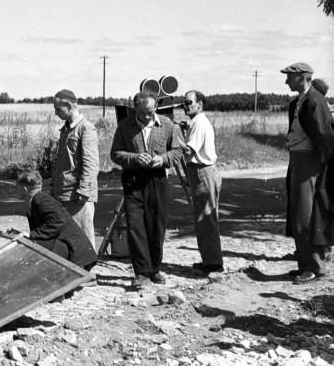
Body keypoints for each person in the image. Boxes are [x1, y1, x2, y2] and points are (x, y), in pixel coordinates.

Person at [110, 91, 185, 289]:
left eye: (151, 112)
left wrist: (164, 159)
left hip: (157, 179)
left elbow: (178, 150)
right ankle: (141, 273)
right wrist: (134, 158)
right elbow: (115, 154)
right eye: (143, 113)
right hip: (133, 181)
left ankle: (155, 269)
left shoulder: (168, 125)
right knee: (136, 226)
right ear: (136, 109)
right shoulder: (125, 127)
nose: (147, 116)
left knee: (156, 226)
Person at [281, 63, 334, 283]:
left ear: (303, 77)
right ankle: (305, 265)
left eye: (290, 77)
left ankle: (315, 267)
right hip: (298, 160)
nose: (286, 82)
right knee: (297, 215)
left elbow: (324, 138)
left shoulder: (315, 100)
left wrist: (320, 169)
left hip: (310, 163)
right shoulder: (300, 101)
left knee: (307, 216)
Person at [17, 170, 97, 274]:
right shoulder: (35, 200)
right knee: (31, 243)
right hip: (71, 248)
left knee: (31, 244)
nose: (16, 191)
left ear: (24, 189)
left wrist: (31, 235)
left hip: (75, 252)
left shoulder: (41, 199)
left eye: (17, 188)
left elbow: (59, 220)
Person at [51, 89, 100, 251]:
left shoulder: (86, 129)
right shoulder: (66, 129)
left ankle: (88, 274)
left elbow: (91, 163)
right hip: (64, 192)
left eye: (59, 109)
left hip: (78, 195)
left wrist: (84, 189)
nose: (56, 113)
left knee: (83, 239)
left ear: (69, 106)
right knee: (69, 239)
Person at [181, 90, 223, 274]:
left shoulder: (198, 123)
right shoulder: (196, 122)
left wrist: (174, 137)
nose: (186, 105)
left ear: (200, 105)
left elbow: (189, 151)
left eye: (190, 102)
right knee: (205, 219)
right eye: (184, 102)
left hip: (202, 172)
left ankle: (213, 263)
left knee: (206, 219)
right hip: (203, 172)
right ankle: (210, 259)